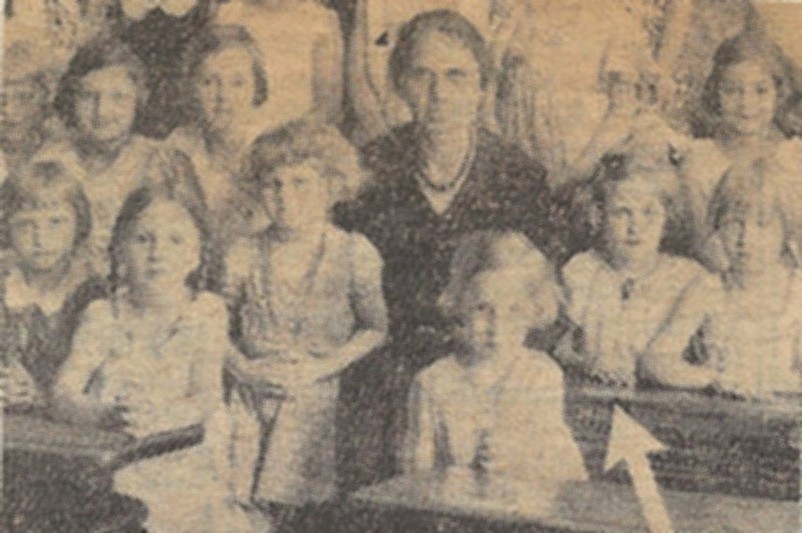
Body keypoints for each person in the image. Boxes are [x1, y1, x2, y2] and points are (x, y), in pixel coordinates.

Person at [334, 9, 575, 484]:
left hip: (488, 364)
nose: (438, 93)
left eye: (456, 76)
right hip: (387, 363)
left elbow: (541, 297)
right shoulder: (370, 169)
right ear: (400, 85)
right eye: (421, 76)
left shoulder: (516, 174)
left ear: (482, 87)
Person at [52, 185, 250, 532]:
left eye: (175, 241)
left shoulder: (205, 312)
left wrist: (157, 417)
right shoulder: (103, 315)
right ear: (119, 250)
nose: (158, 253)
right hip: (116, 455)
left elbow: (206, 397)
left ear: (196, 255)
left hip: (182, 455)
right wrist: (100, 413)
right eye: (143, 239)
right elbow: (63, 391)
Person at [223, 120, 387, 524]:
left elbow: (375, 329)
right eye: (273, 184)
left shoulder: (353, 252)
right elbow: (212, 325)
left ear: (331, 187)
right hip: (251, 386)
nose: (285, 196)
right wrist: (244, 369)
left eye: (301, 183)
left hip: (317, 385)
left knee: (299, 494)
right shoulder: (243, 252)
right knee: (236, 501)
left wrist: (319, 369)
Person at [402, 231, 587, 486]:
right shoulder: (433, 382)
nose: (497, 326)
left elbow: (570, 470)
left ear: (534, 311)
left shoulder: (541, 376)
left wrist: (522, 459)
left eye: (514, 310)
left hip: (525, 504)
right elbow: (415, 475)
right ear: (459, 305)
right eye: (482, 309)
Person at [556, 157, 722, 390]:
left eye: (649, 213)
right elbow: (561, 347)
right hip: (596, 394)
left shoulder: (688, 277)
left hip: (667, 399)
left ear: (667, 217)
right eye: (622, 213)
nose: (636, 227)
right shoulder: (582, 270)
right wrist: (588, 364)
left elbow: (711, 360)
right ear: (599, 216)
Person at [42, 36, 165, 274]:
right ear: (72, 98)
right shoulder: (53, 160)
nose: (102, 111)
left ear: (138, 99)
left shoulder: (159, 160)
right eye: (89, 96)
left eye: (118, 97)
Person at [680, 32, 802, 270]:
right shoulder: (700, 161)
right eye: (733, 91)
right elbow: (703, 241)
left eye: (760, 90)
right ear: (716, 94)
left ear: (779, 93)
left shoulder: (794, 157)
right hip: (725, 278)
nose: (747, 103)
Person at [0, 159, 98, 408]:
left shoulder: (92, 293)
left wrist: (39, 396)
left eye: (56, 222)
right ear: (5, 228)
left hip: (64, 419)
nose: (40, 238)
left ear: (79, 224)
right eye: (25, 224)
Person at [701, 164, 802, 398]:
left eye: (762, 224)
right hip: (717, 412)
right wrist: (713, 378)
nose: (745, 238)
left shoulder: (796, 292)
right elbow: (661, 359)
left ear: (786, 231)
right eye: (734, 223)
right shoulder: (707, 288)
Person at [168, 24, 271, 253]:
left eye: (237, 83)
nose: (223, 95)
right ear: (192, 89)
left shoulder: (274, 148)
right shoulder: (179, 147)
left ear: (257, 87)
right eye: (209, 82)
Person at [214, 0, 344, 131]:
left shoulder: (320, 19)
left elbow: (327, 105)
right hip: (239, 132)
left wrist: (290, 137)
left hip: (298, 135)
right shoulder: (229, 15)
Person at [0, 40, 66, 179]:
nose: (10, 110)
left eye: (24, 97)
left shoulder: (62, 153)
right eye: (2, 99)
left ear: (46, 98)